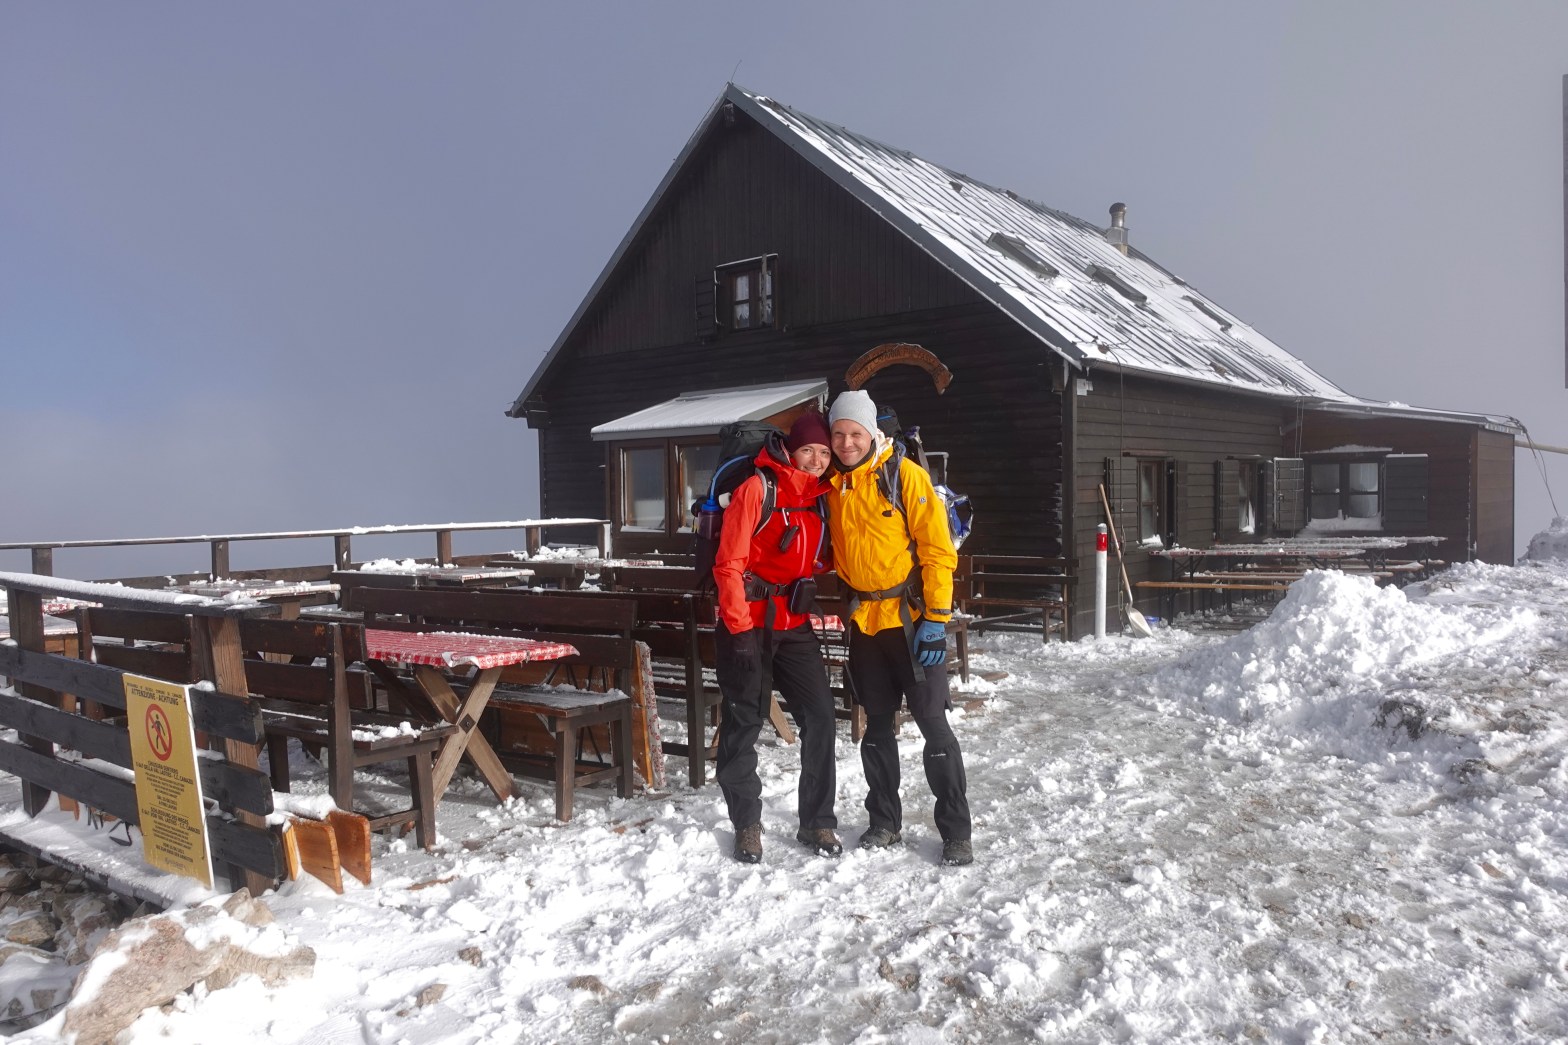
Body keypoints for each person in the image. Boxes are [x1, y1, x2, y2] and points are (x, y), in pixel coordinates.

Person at [824, 389, 973, 866]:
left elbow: (938, 552)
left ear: (872, 434)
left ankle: (956, 832)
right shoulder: (832, 485)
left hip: (911, 622)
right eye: (838, 434)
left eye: (855, 433)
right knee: (876, 727)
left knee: (933, 725)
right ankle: (884, 821)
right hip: (865, 625)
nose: (847, 443)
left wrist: (937, 619)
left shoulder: (905, 476)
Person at [713, 409, 842, 864]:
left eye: (823, 452)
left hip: (795, 625)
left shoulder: (821, 497)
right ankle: (747, 824)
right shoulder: (757, 489)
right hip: (748, 624)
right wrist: (738, 630)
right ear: (790, 449)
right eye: (808, 450)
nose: (816, 460)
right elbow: (728, 565)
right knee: (744, 723)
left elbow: (819, 556)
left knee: (821, 717)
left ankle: (817, 821)